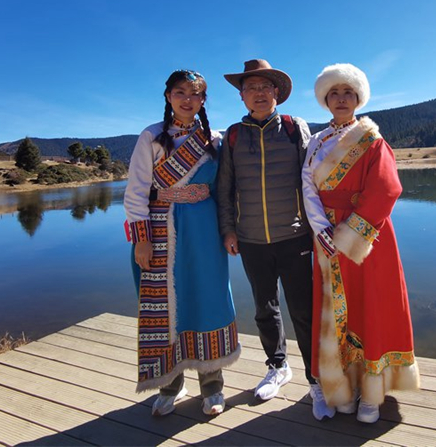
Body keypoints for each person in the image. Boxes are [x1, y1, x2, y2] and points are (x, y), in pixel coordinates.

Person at [301, 63, 420, 424]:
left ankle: (373, 393)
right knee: (338, 314)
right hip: (327, 239)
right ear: (325, 99)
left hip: (367, 238)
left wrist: (349, 235)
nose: (341, 99)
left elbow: (387, 189)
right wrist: (321, 229)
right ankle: (346, 387)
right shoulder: (316, 143)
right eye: (334, 93)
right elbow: (307, 189)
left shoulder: (372, 140)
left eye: (348, 93)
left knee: (373, 307)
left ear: (358, 98)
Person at [217, 59, 335, 420]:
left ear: (277, 94)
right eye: (251, 88)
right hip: (251, 239)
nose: (259, 93)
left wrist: (318, 227)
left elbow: (311, 180)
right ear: (242, 96)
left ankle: (316, 380)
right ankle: (278, 367)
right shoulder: (233, 136)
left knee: (303, 310)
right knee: (264, 310)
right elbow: (225, 189)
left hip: (294, 236)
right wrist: (228, 230)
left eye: (266, 87)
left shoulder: (293, 127)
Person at [124, 70, 239, 418]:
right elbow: (136, 192)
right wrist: (142, 240)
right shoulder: (152, 137)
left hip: (203, 228)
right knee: (167, 308)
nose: (187, 99)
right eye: (180, 92)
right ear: (168, 96)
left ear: (204, 100)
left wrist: (229, 230)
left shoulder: (214, 141)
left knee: (208, 298)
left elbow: (225, 191)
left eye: (195, 93)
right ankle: (170, 383)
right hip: (159, 228)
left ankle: (212, 385)